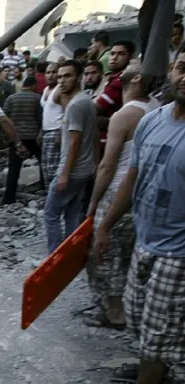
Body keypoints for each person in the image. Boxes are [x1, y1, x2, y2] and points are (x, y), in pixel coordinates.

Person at [91, 45, 185, 384]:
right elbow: (133, 177)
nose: (184, 76)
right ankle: (154, 367)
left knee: (160, 326)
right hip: (145, 237)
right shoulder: (152, 120)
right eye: (180, 68)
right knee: (138, 313)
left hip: (177, 253)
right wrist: (106, 224)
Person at [85, 67, 159, 329]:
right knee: (128, 255)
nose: (118, 62)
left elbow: (108, 165)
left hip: (117, 192)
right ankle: (128, 308)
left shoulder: (124, 115)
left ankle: (115, 313)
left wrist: (93, 203)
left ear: (138, 78)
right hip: (142, 196)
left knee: (105, 254)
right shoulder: (156, 107)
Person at [44, 60, 97, 253]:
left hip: (72, 170)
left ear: (79, 77)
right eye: (59, 77)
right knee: (72, 213)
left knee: (51, 214)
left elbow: (75, 142)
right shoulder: (86, 101)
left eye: (68, 76)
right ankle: (71, 253)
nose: (62, 81)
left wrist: (64, 174)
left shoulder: (76, 105)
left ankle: (55, 256)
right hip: (85, 170)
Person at [2, 76, 43, 204]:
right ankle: (44, 189)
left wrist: (7, 136)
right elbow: (41, 118)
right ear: (34, 85)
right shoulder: (38, 98)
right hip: (34, 137)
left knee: (14, 167)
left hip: (17, 139)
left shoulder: (11, 98)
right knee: (43, 163)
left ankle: (9, 197)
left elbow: (4, 117)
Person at [40, 62, 63, 190]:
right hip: (46, 132)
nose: (50, 75)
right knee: (46, 167)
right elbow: (46, 112)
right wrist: (41, 132)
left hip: (56, 131)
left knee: (54, 168)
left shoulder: (60, 89)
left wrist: (61, 132)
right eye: (48, 72)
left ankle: (55, 198)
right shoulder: (45, 90)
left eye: (54, 72)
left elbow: (67, 112)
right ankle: (50, 196)